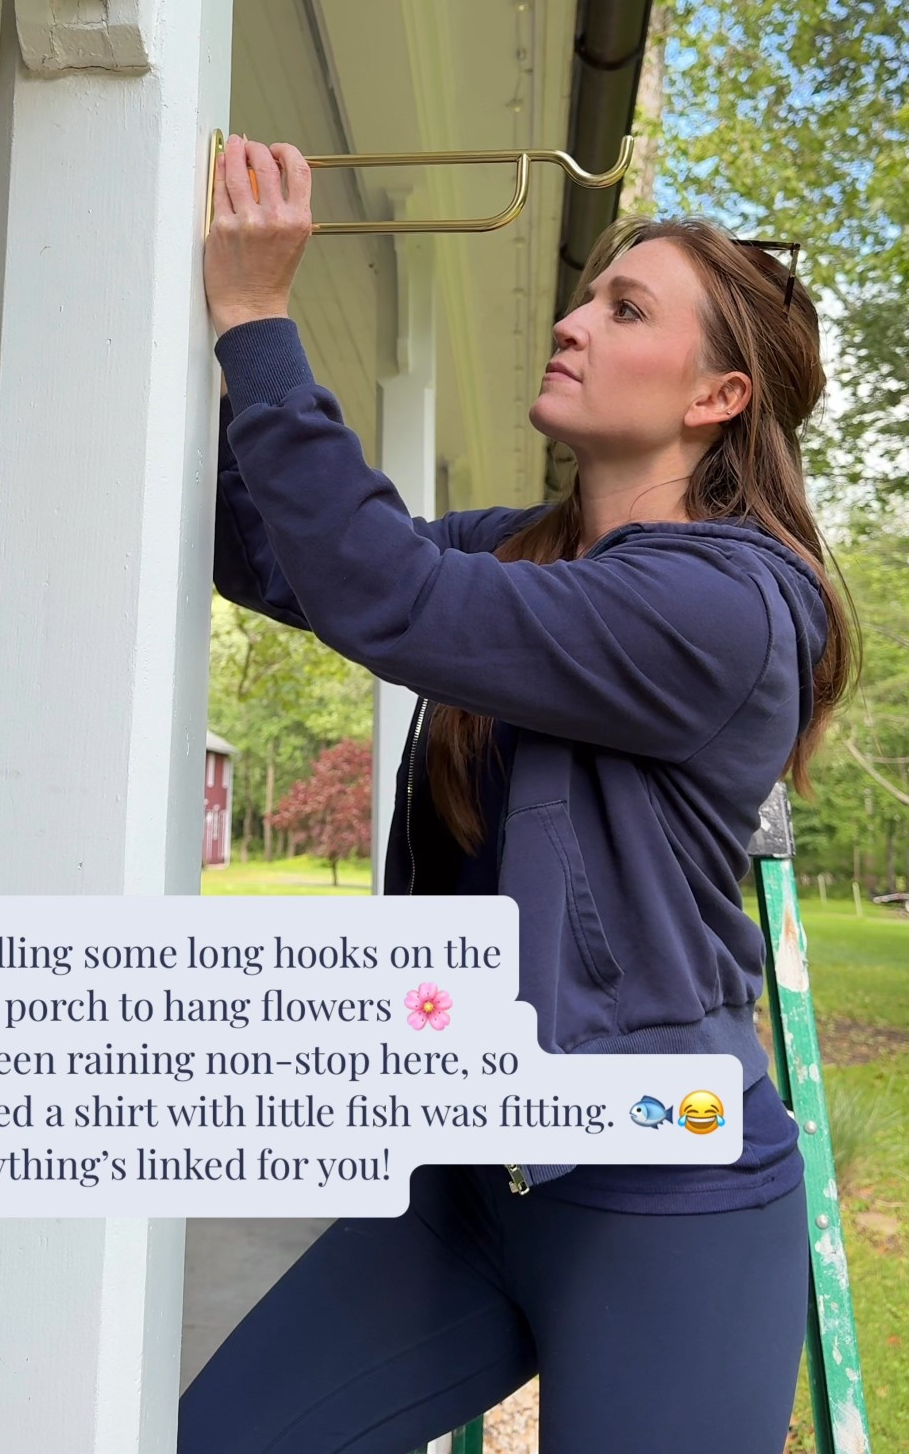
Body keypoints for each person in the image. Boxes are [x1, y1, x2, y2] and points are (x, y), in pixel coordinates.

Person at [177, 134, 859, 1454]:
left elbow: (390, 594)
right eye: (588, 296)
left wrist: (260, 318)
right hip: (479, 1181)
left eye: (624, 308)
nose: (570, 320)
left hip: (666, 1199)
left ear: (717, 396)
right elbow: (289, 557)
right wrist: (185, 335)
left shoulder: (724, 608)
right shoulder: (530, 554)